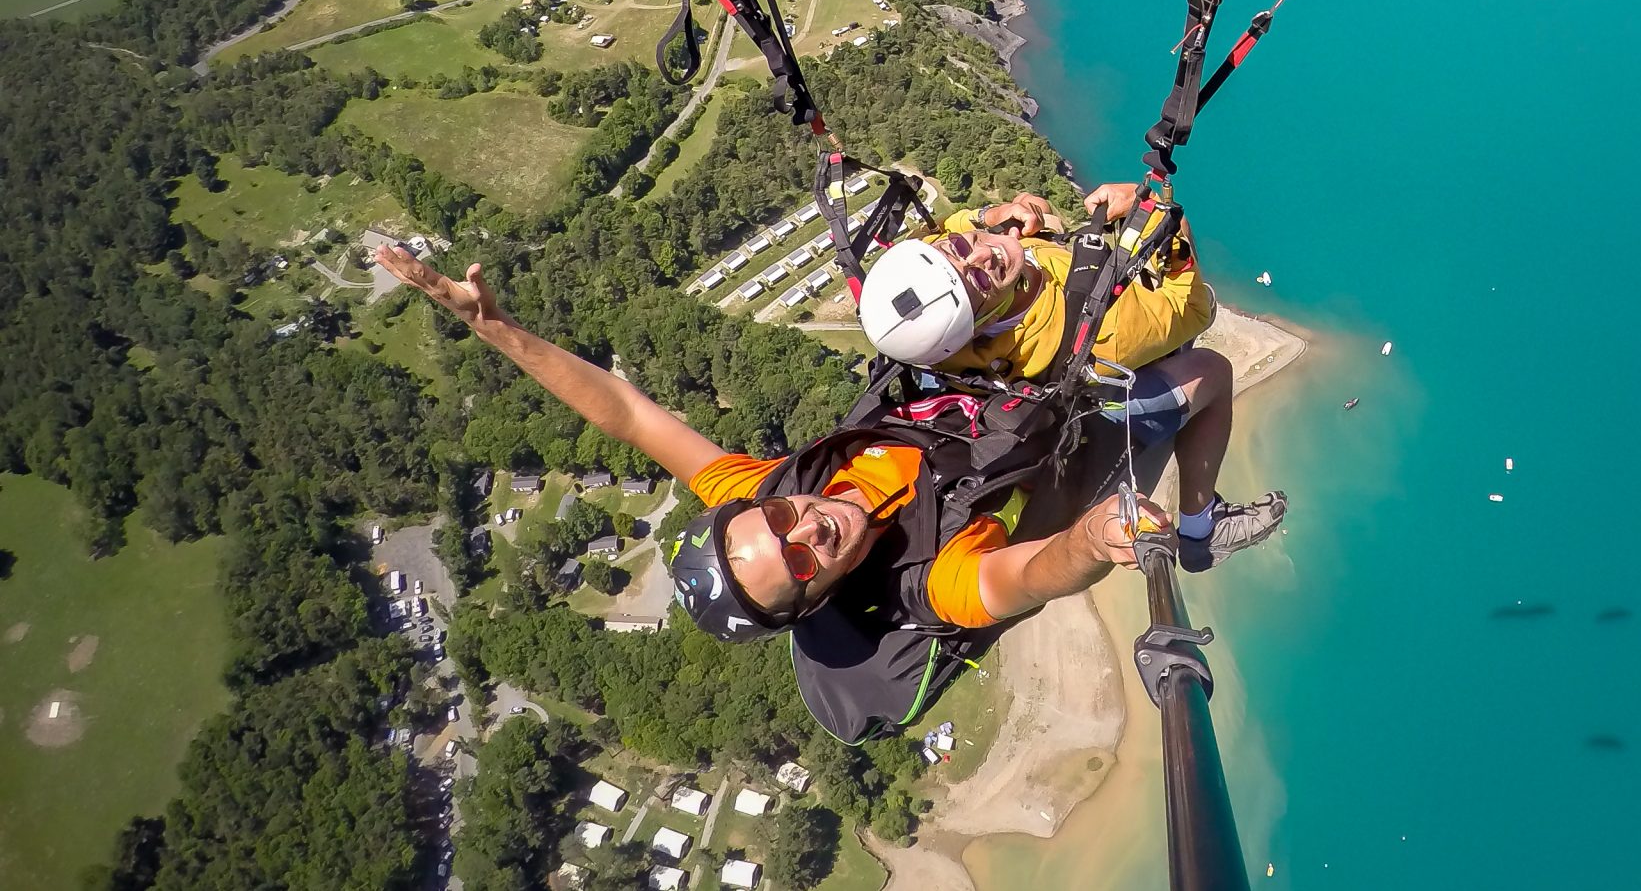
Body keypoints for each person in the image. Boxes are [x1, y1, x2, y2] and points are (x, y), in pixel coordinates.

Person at [374, 242, 1158, 739]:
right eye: (802, 564)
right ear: (818, 599)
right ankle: (1197, 524)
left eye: (777, 519)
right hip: (1066, 439)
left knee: (984, 238)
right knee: (1203, 376)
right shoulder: (925, 580)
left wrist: (496, 329)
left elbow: (629, 416)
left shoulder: (774, 490)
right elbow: (1023, 578)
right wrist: (1093, 544)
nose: (808, 528)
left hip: (970, 398)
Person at [859, 180, 1286, 570]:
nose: (985, 251)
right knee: (1211, 370)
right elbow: (1191, 310)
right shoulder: (1099, 333)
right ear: (980, 321)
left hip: (1039, 366)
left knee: (1002, 224)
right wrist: (1160, 210)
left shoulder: (938, 304)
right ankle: (1201, 529)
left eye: (960, 246)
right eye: (978, 277)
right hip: (1092, 398)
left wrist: (993, 216)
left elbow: (946, 232)